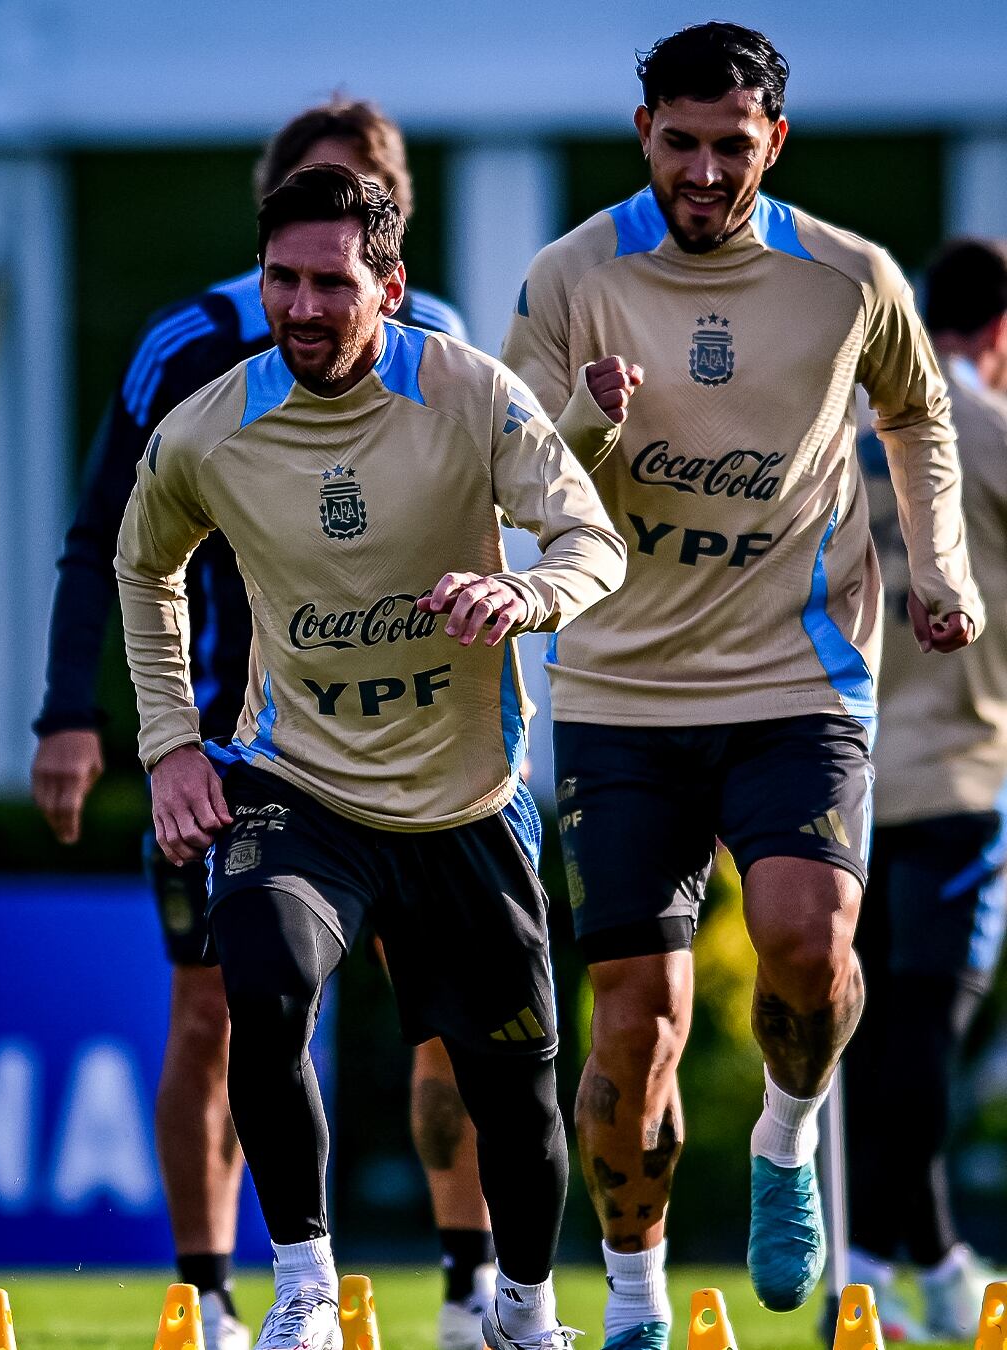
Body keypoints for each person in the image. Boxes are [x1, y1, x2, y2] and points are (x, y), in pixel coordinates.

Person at [501, 21, 985, 1350]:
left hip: (798, 671)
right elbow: (515, 469)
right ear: (642, 134)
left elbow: (919, 416)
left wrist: (939, 566)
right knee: (634, 1025)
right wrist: (592, 418)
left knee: (810, 948)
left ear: (775, 138)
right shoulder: (568, 278)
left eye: (732, 144)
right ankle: (642, 1295)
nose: (704, 171)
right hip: (622, 688)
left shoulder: (849, 278)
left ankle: (787, 1135)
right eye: (680, 144)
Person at [115, 164, 626, 1350]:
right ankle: (305, 1291)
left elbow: (589, 538)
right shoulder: (207, 429)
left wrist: (523, 591)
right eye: (281, 279)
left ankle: (522, 1310)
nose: (300, 305)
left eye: (330, 283)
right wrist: (171, 748)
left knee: (518, 1084)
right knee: (263, 981)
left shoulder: (473, 394)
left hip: (467, 796)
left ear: (388, 289)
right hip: (296, 783)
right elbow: (144, 572)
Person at [30, 100, 495, 1350]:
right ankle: (216, 1299)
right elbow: (106, 544)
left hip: (417, 758)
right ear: (267, 208)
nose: (306, 286)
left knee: (450, 1018)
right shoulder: (185, 345)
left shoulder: (444, 350)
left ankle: (466, 1288)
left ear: (386, 235)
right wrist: (73, 713)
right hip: (237, 756)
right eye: (298, 211)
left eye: (350, 206)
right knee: (218, 1009)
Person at [844, 239, 1007, 1342]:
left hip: (838, 772)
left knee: (866, 1039)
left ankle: (922, 1263)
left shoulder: (845, 428)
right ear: (1000, 333)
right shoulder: (989, 431)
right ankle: (876, 1268)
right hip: (959, 765)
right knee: (921, 1037)